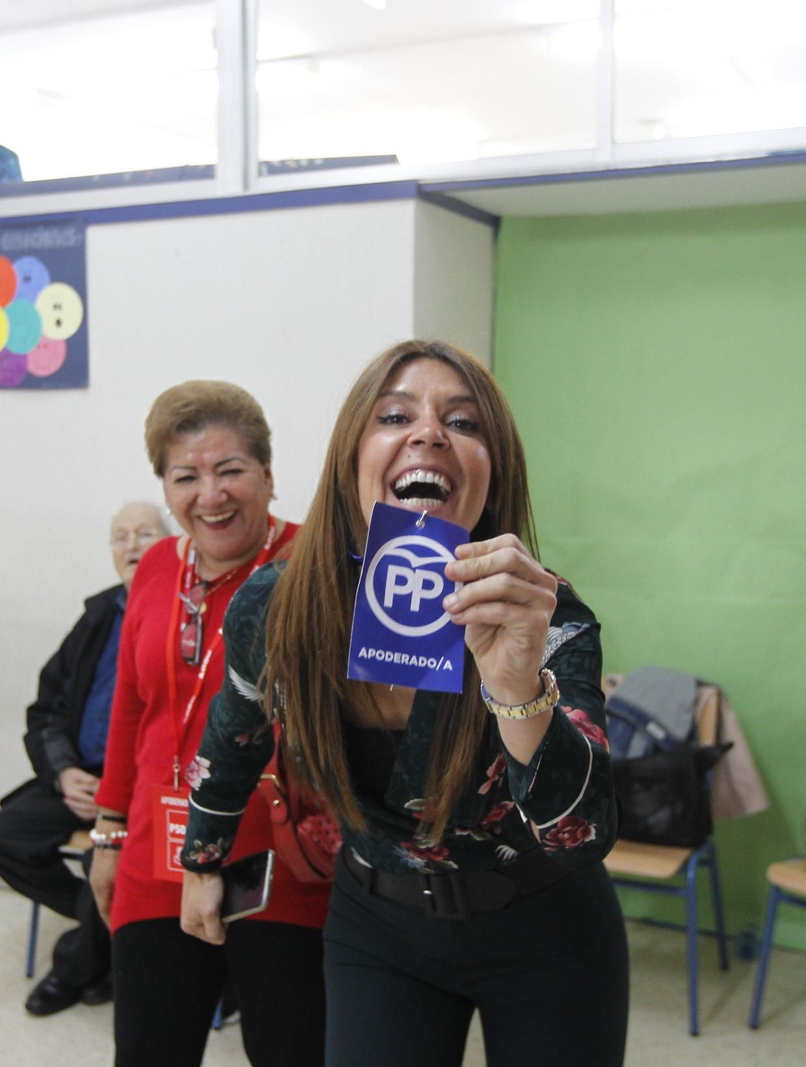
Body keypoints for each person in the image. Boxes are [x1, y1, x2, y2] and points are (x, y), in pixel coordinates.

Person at [179, 341, 628, 1066]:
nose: (429, 432)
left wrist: (515, 683)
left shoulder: (544, 613)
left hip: (547, 926)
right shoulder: (276, 604)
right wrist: (202, 860)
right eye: (395, 414)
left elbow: (582, 833)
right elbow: (232, 735)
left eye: (465, 422)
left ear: (495, 472)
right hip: (378, 923)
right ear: (352, 458)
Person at [89, 381, 331, 1067]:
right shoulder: (158, 566)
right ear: (166, 488)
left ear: (268, 476)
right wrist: (109, 831)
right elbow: (132, 706)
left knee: (291, 1050)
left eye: (230, 470)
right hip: (155, 856)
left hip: (278, 862)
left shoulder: (312, 568)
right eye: (185, 476)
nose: (210, 494)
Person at [0, 501, 167, 1016]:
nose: (130, 545)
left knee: (106, 862)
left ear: (173, 542)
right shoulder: (99, 615)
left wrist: (115, 794)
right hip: (81, 777)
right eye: (119, 536)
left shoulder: (181, 614)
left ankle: (74, 967)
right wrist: (64, 773)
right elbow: (48, 707)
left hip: (139, 790)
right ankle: (103, 934)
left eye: (144, 533)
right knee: (2, 836)